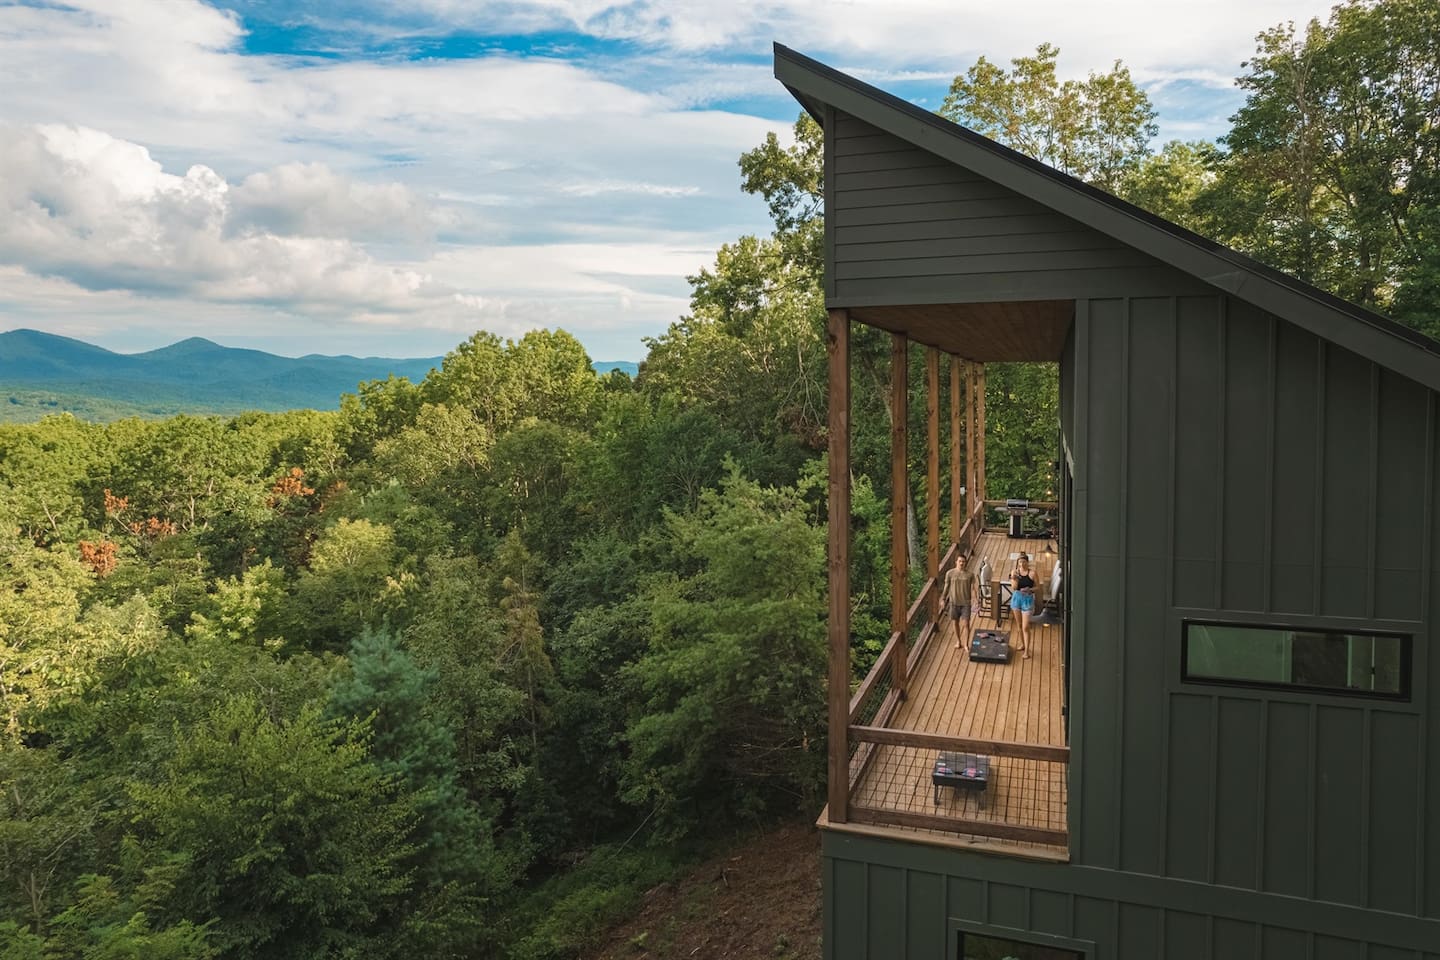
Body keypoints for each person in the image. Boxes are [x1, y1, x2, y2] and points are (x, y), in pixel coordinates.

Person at [943, 560, 977, 649]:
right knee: (955, 623)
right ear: (956, 562)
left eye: (963, 562)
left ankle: (966, 643)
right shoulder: (950, 573)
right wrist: (943, 598)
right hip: (954, 602)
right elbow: (946, 587)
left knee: (966, 624)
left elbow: (973, 588)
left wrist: (975, 598)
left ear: (966, 563)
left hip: (966, 603)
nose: (961, 563)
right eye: (959, 561)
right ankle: (958, 641)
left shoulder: (970, 574)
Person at [1010, 554, 1037, 659]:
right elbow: (1014, 587)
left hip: (1027, 600)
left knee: (1026, 627)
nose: (1022, 564)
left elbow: (1038, 587)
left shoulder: (1033, 573)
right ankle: (1022, 644)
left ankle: (1026, 651)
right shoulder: (1015, 572)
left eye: (1024, 562)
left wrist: (1030, 590)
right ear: (1018, 563)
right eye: (1020, 562)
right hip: (1017, 599)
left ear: (1027, 562)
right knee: (1019, 625)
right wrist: (1014, 578)